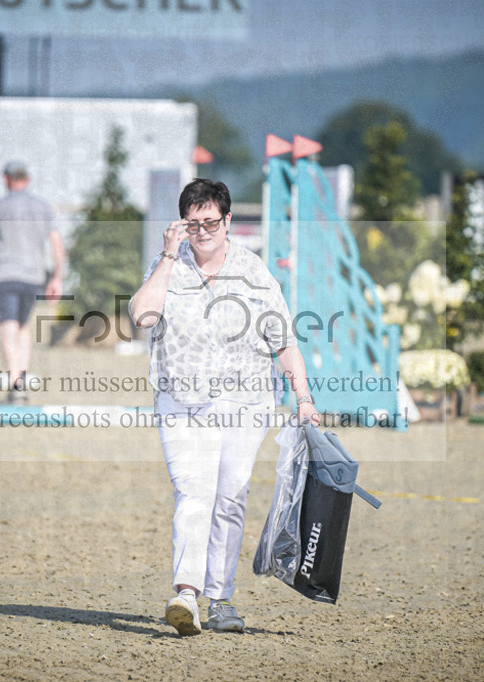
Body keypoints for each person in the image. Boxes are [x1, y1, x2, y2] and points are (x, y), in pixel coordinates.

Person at [129, 178, 319, 636]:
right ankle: (187, 594)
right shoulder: (167, 265)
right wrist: (170, 255)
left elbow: (285, 343)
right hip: (181, 400)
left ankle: (222, 597)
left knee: (231, 498)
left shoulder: (254, 273)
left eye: (210, 222)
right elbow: (141, 316)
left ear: (228, 220)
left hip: (246, 403)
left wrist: (305, 400)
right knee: (194, 493)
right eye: (192, 223)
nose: (202, 231)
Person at [0, 161, 65, 403]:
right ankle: (20, 380)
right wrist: (57, 277)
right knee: (24, 328)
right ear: (28, 179)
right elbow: (56, 244)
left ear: (6, 179)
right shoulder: (42, 206)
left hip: (5, 274)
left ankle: (16, 383)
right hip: (33, 276)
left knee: (9, 327)